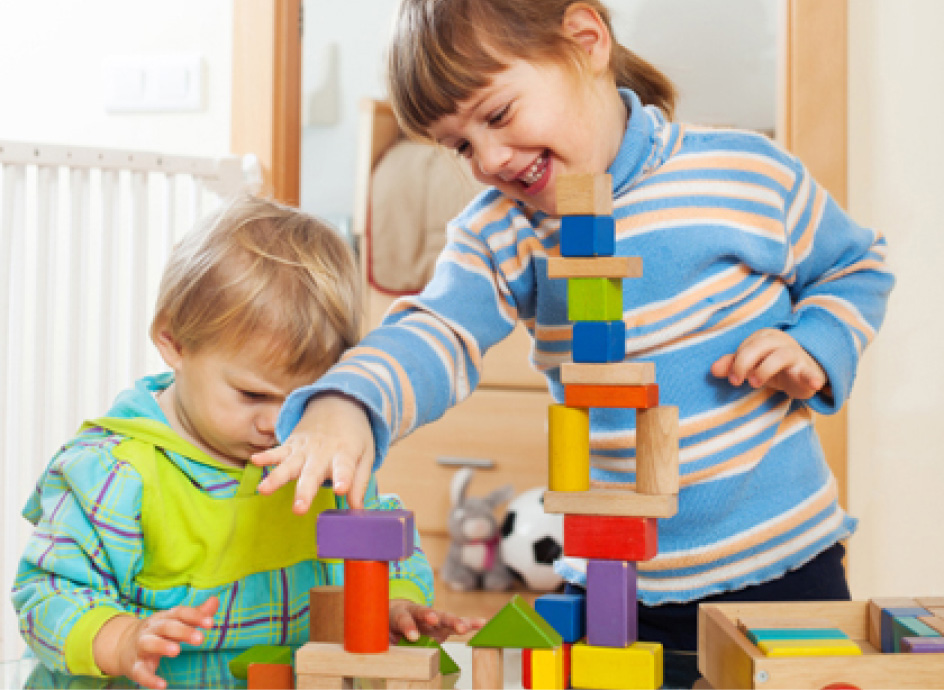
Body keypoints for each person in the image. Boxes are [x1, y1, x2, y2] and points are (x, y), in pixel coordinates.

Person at [254, 0, 894, 683]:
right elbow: (436, 328)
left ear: (586, 40)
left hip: (782, 565)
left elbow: (855, 266)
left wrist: (816, 344)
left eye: (498, 115)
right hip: (613, 581)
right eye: (461, 145)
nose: (491, 158)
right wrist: (348, 401)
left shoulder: (743, 173)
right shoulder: (503, 232)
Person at [11, 194, 479, 690]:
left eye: (305, 397)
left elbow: (386, 544)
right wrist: (120, 639)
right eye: (252, 393)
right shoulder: (115, 472)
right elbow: (46, 592)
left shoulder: (318, 452)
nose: (278, 423)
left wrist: (390, 605)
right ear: (174, 342)